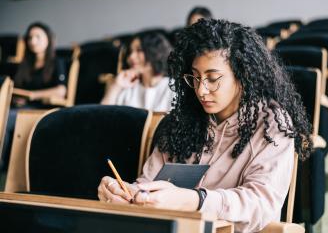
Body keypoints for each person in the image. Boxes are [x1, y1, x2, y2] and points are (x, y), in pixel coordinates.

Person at [97, 19, 313, 233]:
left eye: (212, 78)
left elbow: (259, 204)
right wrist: (127, 193)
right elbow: (147, 183)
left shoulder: (271, 125)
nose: (201, 90)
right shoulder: (182, 120)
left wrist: (195, 200)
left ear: (243, 76)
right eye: (196, 78)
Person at [1, 22, 66, 170]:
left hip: (43, 108)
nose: (33, 41)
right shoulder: (24, 64)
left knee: (6, 118)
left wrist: (33, 95)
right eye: (30, 37)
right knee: (4, 114)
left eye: (38, 37)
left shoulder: (57, 62)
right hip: (20, 107)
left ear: (48, 39)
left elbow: (61, 90)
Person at [101, 31, 173, 112]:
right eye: (130, 52)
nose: (131, 57)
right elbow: (103, 116)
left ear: (155, 51)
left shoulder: (173, 88)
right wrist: (116, 85)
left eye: (139, 50)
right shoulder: (127, 88)